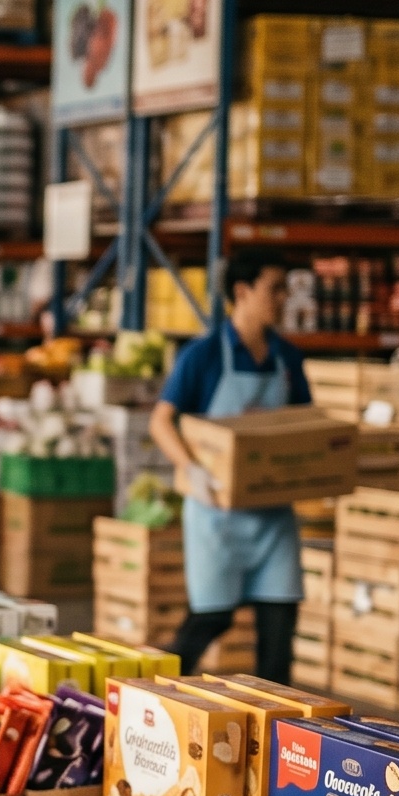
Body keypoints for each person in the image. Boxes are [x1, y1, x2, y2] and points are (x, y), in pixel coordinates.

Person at [148, 254, 310, 680]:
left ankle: (277, 732)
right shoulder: (202, 356)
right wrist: (191, 469)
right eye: (274, 288)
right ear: (242, 292)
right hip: (215, 516)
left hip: (273, 519)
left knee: (279, 627)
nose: (283, 298)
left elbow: (305, 427)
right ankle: (151, 699)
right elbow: (161, 421)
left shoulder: (288, 360)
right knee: (210, 618)